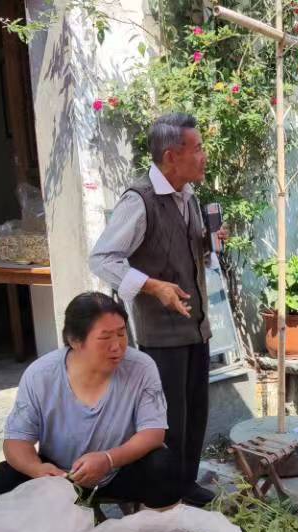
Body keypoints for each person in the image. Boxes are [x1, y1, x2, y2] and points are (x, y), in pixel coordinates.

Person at [89, 113, 223, 505]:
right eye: (197, 149)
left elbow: (185, 251)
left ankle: (186, 484)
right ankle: (164, 495)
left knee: (195, 413)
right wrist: (151, 286)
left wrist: (208, 242)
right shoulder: (140, 200)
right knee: (168, 421)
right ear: (171, 156)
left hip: (196, 327)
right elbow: (102, 258)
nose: (204, 156)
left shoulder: (188, 196)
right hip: (161, 336)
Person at [0, 292, 209, 508]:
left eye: (121, 334)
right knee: (1, 481)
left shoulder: (141, 367)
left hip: (119, 470)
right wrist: (38, 470)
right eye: (105, 338)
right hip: (59, 476)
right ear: (75, 341)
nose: (117, 346)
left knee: (165, 467)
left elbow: (153, 433)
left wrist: (108, 460)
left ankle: (151, 529)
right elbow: (16, 441)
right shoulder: (40, 375)